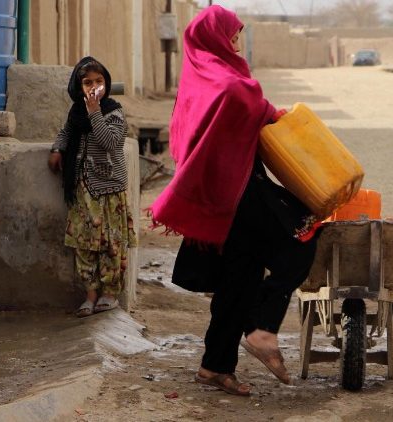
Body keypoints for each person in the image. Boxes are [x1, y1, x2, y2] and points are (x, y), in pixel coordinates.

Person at [149, 6, 320, 396]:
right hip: (236, 189)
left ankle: (215, 366)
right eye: (232, 36)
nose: (237, 45)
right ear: (215, 39)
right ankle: (262, 328)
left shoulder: (197, 79)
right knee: (303, 235)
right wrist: (269, 110)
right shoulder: (223, 81)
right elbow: (241, 98)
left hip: (222, 194)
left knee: (239, 276)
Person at [48, 57, 137, 318]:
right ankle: (90, 294)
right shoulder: (76, 112)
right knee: (84, 243)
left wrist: (95, 112)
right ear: (79, 87)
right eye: (88, 83)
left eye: (99, 81)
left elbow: (110, 142)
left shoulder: (113, 112)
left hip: (109, 188)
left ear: (106, 84)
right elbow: (67, 132)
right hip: (82, 189)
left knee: (111, 244)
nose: (94, 87)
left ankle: (109, 293)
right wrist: (57, 149)